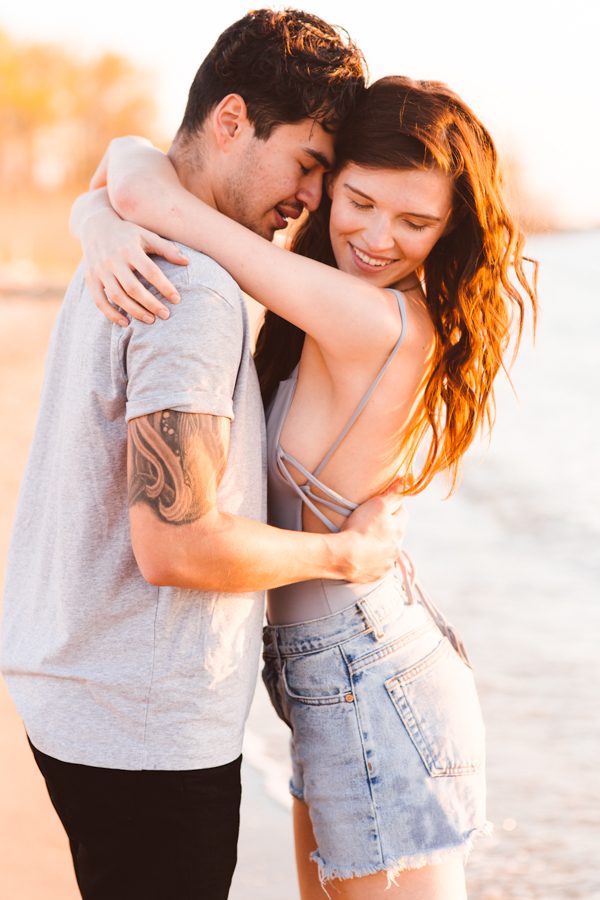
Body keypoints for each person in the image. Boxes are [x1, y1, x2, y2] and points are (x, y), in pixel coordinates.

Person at [76, 75, 538, 899]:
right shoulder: (331, 305)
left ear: (450, 229)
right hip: (328, 683)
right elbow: (135, 170)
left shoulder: (384, 323)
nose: (377, 237)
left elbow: (160, 197)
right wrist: (93, 222)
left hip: (373, 677)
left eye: (416, 222)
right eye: (358, 199)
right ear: (329, 182)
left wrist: (101, 216)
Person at [0, 12, 408, 900]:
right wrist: (349, 555)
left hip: (75, 680)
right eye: (306, 161)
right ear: (231, 120)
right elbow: (177, 544)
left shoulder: (131, 225)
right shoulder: (194, 288)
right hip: (144, 724)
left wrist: (93, 206)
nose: (310, 198)